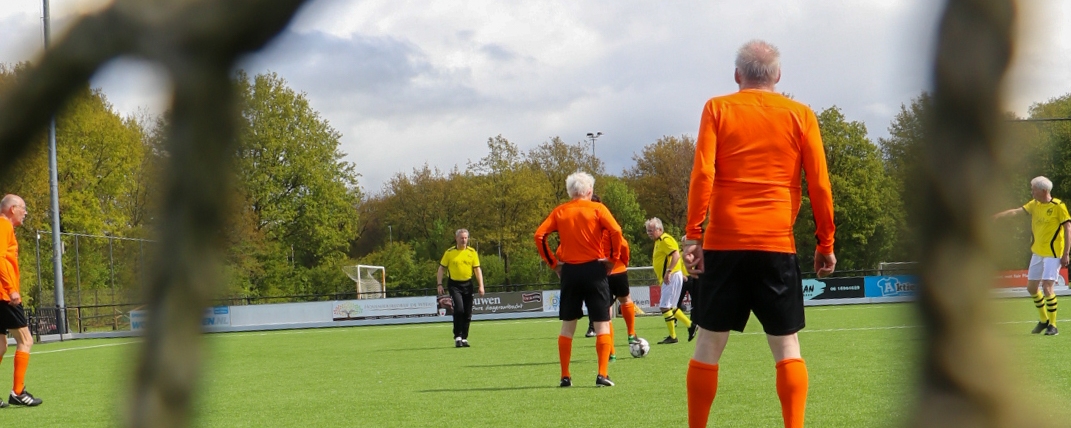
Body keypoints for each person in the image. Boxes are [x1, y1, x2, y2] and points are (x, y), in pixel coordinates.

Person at [682, 40, 836, 428]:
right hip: (776, 243)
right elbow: (819, 183)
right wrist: (825, 242)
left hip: (723, 241)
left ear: (738, 75)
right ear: (778, 76)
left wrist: (692, 234)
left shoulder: (717, 108)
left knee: (708, 343)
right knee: (787, 347)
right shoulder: (801, 114)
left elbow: (703, 174)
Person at [535, 172, 626, 387]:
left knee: (568, 326)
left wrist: (553, 263)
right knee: (602, 324)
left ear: (570, 192)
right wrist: (613, 259)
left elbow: (539, 235)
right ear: (589, 191)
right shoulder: (598, 209)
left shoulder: (560, 211)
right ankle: (602, 374)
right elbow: (616, 231)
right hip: (595, 271)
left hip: (570, 273)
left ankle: (565, 376)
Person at [993, 176, 1068, 336]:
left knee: (1047, 287)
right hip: (1037, 252)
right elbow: (1016, 212)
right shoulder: (1034, 205)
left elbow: (1068, 228)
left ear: (1043, 191)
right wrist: (997, 216)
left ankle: (1053, 325)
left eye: (1033, 189)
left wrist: (1066, 253)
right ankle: (1043, 320)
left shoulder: (1058, 206)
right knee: (1031, 288)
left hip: (1053, 253)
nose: (1031, 192)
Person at [0, 194, 42, 407]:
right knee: (25, 340)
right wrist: (11, 289)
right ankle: (18, 392)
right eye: (23, 208)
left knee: (0, 345)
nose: (25, 212)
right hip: (4, 295)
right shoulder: (3, 225)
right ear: (12, 209)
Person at [645, 218, 694, 344]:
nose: (649, 233)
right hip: (672, 276)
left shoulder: (665, 240)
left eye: (651, 230)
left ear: (660, 229)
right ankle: (690, 325)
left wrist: (669, 271)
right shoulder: (658, 241)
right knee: (671, 307)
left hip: (671, 276)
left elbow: (676, 255)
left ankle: (673, 336)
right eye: (647, 230)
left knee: (664, 306)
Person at [436, 229, 485, 348]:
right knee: (459, 309)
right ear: (456, 238)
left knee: (467, 313)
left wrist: (481, 285)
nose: (464, 240)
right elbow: (441, 268)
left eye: (465, 238)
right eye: (461, 238)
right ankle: (457, 336)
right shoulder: (449, 252)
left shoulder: (472, 252)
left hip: (468, 284)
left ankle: (464, 338)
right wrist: (439, 284)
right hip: (454, 285)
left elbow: (477, 269)